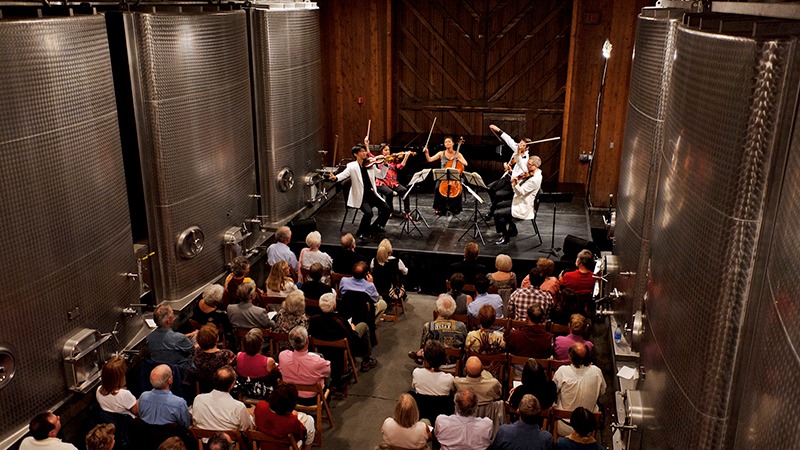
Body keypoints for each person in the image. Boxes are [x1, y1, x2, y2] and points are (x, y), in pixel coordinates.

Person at [329, 141, 391, 238]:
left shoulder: (370, 164)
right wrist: (335, 178)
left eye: (365, 151)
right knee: (369, 213)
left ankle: (376, 227)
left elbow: (381, 175)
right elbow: (343, 175)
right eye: (362, 151)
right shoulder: (352, 166)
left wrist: (386, 164)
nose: (365, 153)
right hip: (361, 196)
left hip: (371, 194)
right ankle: (361, 232)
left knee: (387, 209)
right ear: (356, 154)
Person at [308, 292, 377, 378]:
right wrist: (353, 330)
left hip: (322, 350)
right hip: (342, 349)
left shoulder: (313, 319)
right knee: (363, 326)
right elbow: (353, 338)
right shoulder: (340, 321)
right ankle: (366, 360)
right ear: (334, 306)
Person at [553, 343, 606, 436]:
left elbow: (553, 391)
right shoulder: (597, 371)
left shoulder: (562, 371)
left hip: (564, 427)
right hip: (588, 428)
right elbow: (603, 391)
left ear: (570, 357)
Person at [486, 124, 533, 218]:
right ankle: (495, 206)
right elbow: (508, 139)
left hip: (514, 182)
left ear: (527, 148)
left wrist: (511, 169)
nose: (519, 145)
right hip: (507, 176)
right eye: (520, 143)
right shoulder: (517, 148)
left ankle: (493, 211)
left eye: (522, 145)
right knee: (490, 188)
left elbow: (521, 169)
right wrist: (497, 129)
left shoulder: (526, 159)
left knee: (498, 194)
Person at [494, 156, 542, 245]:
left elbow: (521, 192)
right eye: (528, 163)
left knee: (498, 213)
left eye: (530, 164)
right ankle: (512, 229)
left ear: (535, 166)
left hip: (524, 206)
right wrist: (514, 175)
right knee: (499, 205)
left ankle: (505, 237)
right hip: (519, 201)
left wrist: (515, 184)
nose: (527, 166)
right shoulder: (531, 173)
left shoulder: (534, 180)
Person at [278, 326, 331, 405]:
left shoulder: (282, 356)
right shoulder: (318, 361)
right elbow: (328, 372)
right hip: (312, 399)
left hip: (290, 396)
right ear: (307, 341)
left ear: (291, 342)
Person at [408, 294, 467, 364]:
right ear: (453, 310)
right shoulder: (461, 326)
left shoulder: (428, 326)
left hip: (433, 363)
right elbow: (465, 346)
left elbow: (423, 346)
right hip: (453, 364)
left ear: (437, 309)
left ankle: (419, 356)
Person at [254, 383, 314, 450]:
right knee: (310, 420)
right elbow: (301, 435)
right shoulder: (292, 421)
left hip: (263, 445)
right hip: (283, 446)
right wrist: (292, 416)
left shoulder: (260, 406)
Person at [192, 366, 254, 431]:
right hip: (228, 440)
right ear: (232, 385)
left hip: (203, 439)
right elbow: (248, 428)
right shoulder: (238, 407)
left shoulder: (199, 399)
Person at [423, 136, 468, 215]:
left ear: (453, 143)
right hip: (443, 177)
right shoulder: (441, 153)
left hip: (455, 177)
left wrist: (459, 158)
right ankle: (438, 207)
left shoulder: (458, 154)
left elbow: (465, 164)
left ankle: (456, 208)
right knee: (437, 187)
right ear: (444, 144)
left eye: (449, 141)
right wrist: (427, 153)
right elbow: (429, 159)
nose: (447, 143)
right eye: (446, 142)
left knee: (459, 187)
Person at [146, 304, 195, 370]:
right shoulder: (178, 338)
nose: (173, 315)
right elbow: (193, 349)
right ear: (168, 320)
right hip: (181, 371)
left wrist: (189, 334)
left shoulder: (149, 338)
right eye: (172, 314)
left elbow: (172, 340)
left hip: (162, 370)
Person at [234, 328, 277, 400]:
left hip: (245, 391)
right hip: (263, 394)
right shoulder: (268, 361)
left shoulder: (239, 355)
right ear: (261, 344)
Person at [193, 324, 236, 392]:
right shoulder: (226, 354)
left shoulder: (197, 352)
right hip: (224, 387)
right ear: (217, 338)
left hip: (204, 387)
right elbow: (234, 369)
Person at [374, 143, 413, 216]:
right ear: (381, 151)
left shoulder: (393, 160)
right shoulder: (378, 160)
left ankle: (407, 211)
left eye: (388, 150)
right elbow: (370, 156)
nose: (388, 152)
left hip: (392, 182)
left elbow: (400, 167)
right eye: (385, 150)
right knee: (389, 192)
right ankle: (389, 210)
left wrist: (406, 157)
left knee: (404, 190)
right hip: (382, 182)